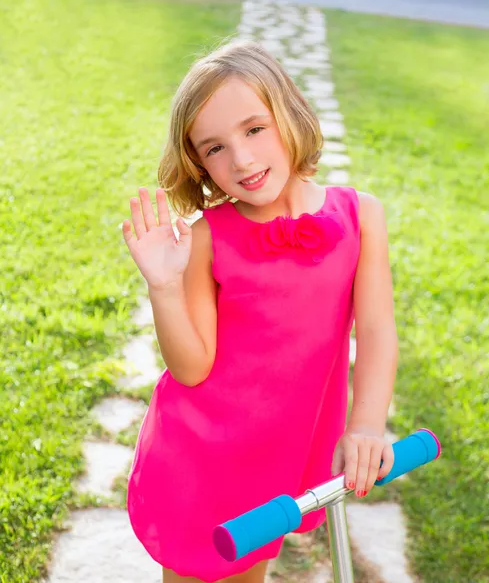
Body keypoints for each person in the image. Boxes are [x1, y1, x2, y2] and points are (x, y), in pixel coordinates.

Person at [122, 38, 398, 583]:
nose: (242, 159)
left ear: (289, 115)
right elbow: (192, 367)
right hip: (201, 459)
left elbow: (376, 330)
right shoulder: (206, 239)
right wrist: (164, 287)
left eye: (254, 129)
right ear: (197, 162)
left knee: (253, 570)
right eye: (214, 148)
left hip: (281, 454)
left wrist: (366, 424)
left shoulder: (360, 215)